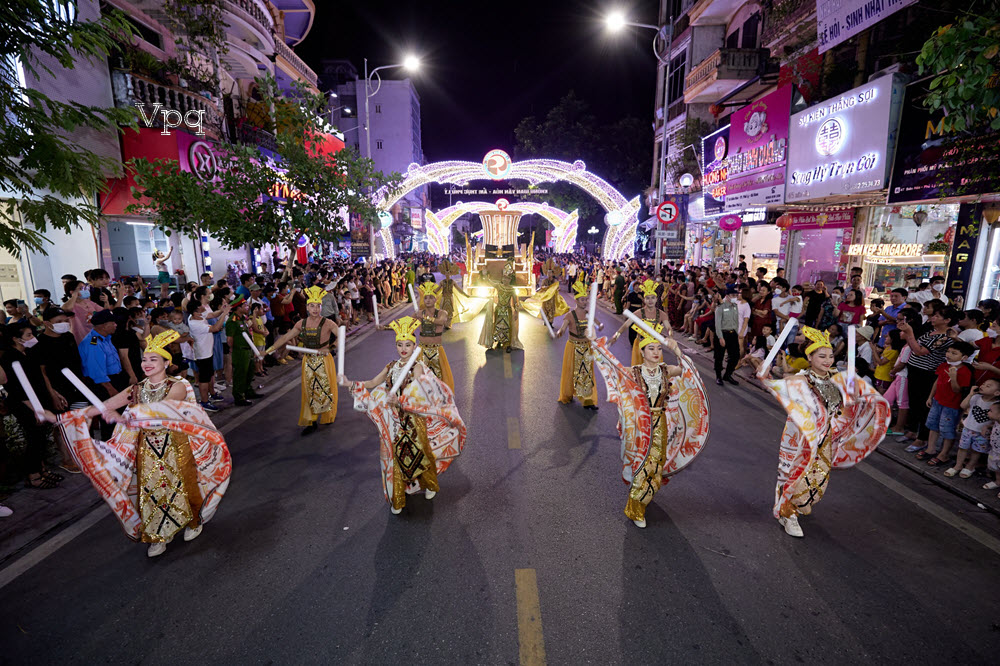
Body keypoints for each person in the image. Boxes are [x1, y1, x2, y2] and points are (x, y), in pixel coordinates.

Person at [51, 330, 232, 558]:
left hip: (178, 446)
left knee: (186, 486)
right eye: (144, 359)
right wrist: (66, 417)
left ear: (167, 362)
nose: (146, 363)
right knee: (152, 491)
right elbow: (104, 405)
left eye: (153, 359)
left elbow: (163, 409)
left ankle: (194, 521)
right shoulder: (136, 389)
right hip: (148, 450)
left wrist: (128, 416)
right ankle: (157, 535)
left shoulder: (178, 385)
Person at [757, 326, 890, 538]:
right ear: (809, 357)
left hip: (825, 434)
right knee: (793, 472)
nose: (827, 360)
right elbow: (778, 386)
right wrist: (765, 378)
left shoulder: (838, 378)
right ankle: (786, 513)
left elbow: (852, 402)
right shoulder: (802, 379)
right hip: (801, 435)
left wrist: (855, 396)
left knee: (818, 474)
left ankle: (800, 501)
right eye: (821, 356)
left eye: (830, 355)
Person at [341, 316, 466, 515]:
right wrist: (350, 383)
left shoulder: (417, 367)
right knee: (395, 457)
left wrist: (400, 401)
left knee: (420, 455)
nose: (404, 348)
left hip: (414, 421)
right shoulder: (391, 366)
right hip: (394, 421)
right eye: (400, 344)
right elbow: (373, 382)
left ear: (414, 344)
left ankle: (431, 485)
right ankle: (398, 497)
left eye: (408, 344)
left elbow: (422, 393)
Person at [589, 322, 709, 528]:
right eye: (651, 348)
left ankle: (645, 496)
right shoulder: (633, 372)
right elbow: (609, 365)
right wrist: (593, 342)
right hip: (640, 427)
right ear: (642, 352)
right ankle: (635, 509)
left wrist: (677, 350)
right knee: (642, 465)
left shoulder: (667, 370)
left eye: (659, 348)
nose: (656, 352)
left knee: (656, 465)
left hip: (661, 425)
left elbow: (690, 373)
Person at [267, 286, 339, 435]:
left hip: (324, 360)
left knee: (326, 389)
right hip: (308, 360)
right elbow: (286, 338)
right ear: (307, 307)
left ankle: (327, 414)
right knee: (309, 391)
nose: (315, 309)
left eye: (318, 306)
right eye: (312, 306)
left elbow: (341, 336)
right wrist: (268, 351)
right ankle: (311, 420)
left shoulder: (328, 323)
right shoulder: (301, 324)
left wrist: (330, 347)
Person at [918, 340, 975, 466]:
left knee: (947, 429)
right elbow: (937, 382)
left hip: (951, 406)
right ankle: (930, 448)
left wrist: (954, 377)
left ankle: (944, 454)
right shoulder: (944, 366)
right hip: (937, 401)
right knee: (933, 425)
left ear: (964, 357)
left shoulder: (965, 371)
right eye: (948, 351)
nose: (949, 355)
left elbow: (957, 390)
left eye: (954, 353)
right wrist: (930, 397)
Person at [555, 279, 601, 410]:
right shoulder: (570, 315)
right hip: (573, 347)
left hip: (586, 347)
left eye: (586, 299)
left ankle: (588, 400)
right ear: (576, 300)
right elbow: (563, 327)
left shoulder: (588, 314)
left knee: (586, 374)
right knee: (571, 372)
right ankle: (568, 394)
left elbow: (596, 326)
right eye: (582, 300)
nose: (585, 302)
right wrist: (560, 331)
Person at [946, 378, 1000, 478]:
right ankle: (958, 465)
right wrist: (971, 394)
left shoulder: (996, 405)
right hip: (968, 428)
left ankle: (970, 466)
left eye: (988, 386)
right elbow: (963, 406)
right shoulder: (976, 397)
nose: (983, 386)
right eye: (983, 384)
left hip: (982, 432)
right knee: (962, 447)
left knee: (977, 450)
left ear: (997, 393)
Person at [610, 279, 670, 365]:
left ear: (656, 299)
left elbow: (668, 328)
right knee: (640, 372)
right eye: (648, 298)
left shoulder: (661, 314)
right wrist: (616, 336)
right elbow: (626, 325)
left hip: (655, 346)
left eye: (653, 298)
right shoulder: (638, 313)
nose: (650, 300)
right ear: (644, 300)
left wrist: (670, 337)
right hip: (640, 346)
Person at [187, 299, 229, 412]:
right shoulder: (195, 324)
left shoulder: (198, 315)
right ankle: (204, 402)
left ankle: (213, 394)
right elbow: (215, 328)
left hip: (207, 352)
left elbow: (211, 314)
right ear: (195, 312)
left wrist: (221, 310)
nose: (203, 307)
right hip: (202, 354)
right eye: (200, 306)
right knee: (204, 379)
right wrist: (224, 314)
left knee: (210, 374)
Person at [478, 259, 523, 353]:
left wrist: (516, 312)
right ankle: (498, 341)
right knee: (498, 326)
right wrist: (485, 274)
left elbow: (515, 303)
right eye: (504, 278)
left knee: (507, 327)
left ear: (510, 280)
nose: (505, 280)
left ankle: (507, 344)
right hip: (498, 309)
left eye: (507, 278)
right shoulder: (499, 286)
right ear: (502, 278)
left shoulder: (512, 290)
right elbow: (489, 282)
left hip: (507, 310)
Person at [225, 295, 259, 406]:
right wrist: (233, 350)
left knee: (249, 372)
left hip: (248, 350)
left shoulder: (242, 318)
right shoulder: (232, 321)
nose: (247, 306)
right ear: (238, 307)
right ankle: (239, 397)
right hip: (239, 351)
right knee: (240, 375)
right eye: (244, 305)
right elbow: (230, 339)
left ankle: (248, 391)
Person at [714, 287, 741, 386]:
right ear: (727, 296)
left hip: (732, 334)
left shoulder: (735, 306)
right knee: (719, 357)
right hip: (722, 334)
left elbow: (736, 321)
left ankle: (728, 374)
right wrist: (720, 337)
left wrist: (736, 333)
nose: (735, 297)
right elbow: (717, 324)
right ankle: (718, 376)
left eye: (736, 295)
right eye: (733, 295)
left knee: (735, 356)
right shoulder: (720, 307)